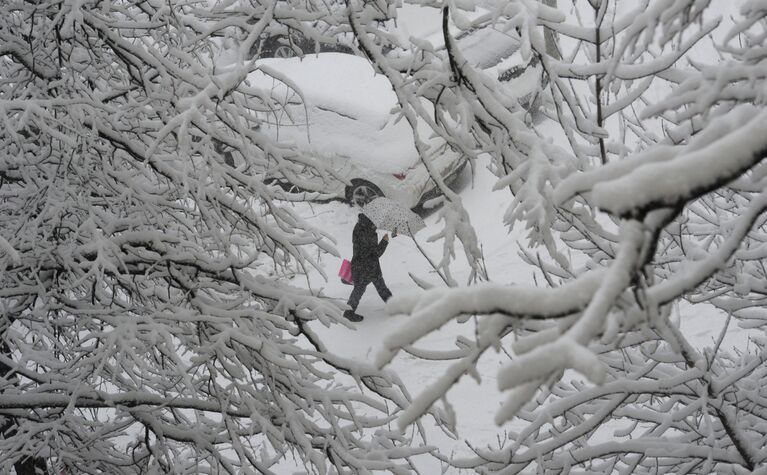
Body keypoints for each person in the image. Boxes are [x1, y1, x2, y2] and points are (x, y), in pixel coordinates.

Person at [345, 213, 392, 322]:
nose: (378, 223)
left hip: (364, 266)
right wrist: (384, 241)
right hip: (366, 267)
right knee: (360, 290)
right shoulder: (367, 232)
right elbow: (375, 253)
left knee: (378, 286)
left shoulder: (360, 227)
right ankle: (348, 312)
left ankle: (393, 305)